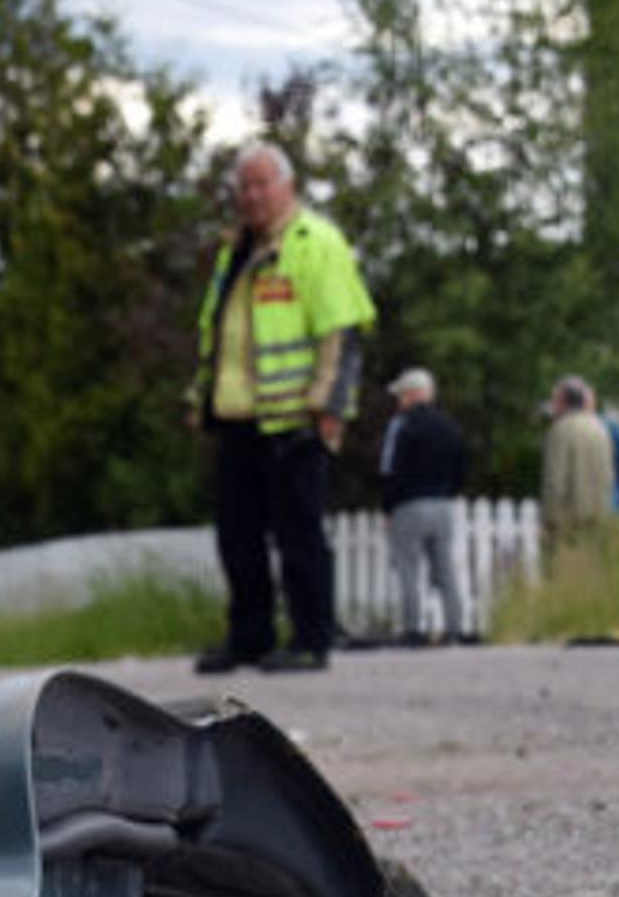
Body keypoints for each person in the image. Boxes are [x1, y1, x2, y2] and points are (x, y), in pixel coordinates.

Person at [188, 143, 373, 675]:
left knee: (299, 534)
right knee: (237, 536)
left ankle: (312, 637)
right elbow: (219, 336)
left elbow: (342, 331)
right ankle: (249, 637)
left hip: (295, 418)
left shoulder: (316, 243)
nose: (251, 195)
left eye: (261, 184)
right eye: (243, 186)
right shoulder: (234, 252)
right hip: (238, 418)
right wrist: (201, 399)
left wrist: (328, 407)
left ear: (287, 187)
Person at [377, 366, 468, 647]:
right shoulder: (449, 425)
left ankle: (413, 629)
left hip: (409, 506)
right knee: (445, 569)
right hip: (443, 505)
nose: (398, 401)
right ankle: (454, 628)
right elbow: (462, 465)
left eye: (401, 395)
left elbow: (389, 468)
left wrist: (388, 506)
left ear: (411, 394)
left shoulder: (401, 425)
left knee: (409, 570)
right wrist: (449, 492)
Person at [541, 375, 619, 546]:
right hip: (600, 516)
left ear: (564, 401)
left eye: (555, 400)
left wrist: (550, 522)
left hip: (569, 521)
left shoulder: (560, 430)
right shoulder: (600, 428)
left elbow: (555, 481)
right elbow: (609, 475)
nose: (553, 405)